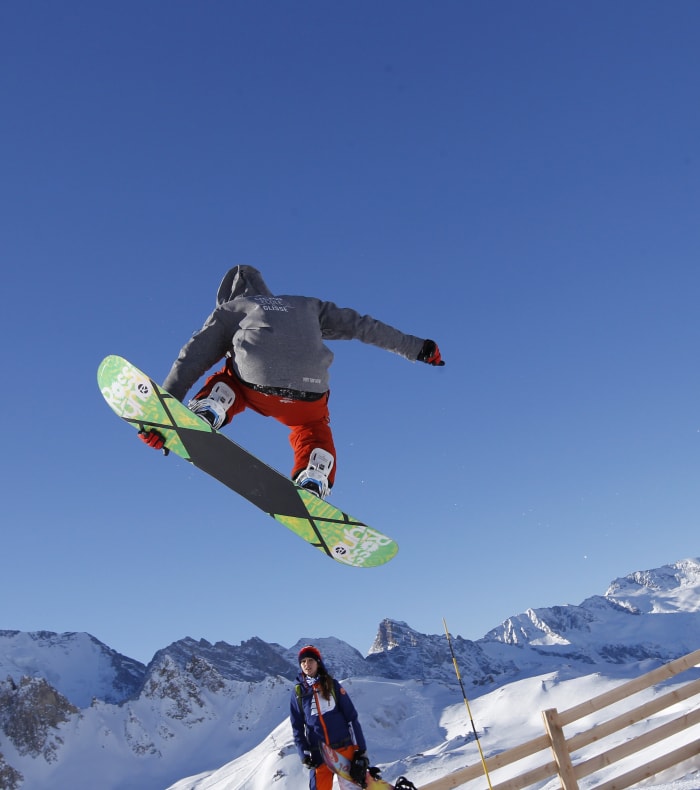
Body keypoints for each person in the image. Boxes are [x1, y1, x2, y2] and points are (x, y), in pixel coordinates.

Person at [139, 265, 444, 498]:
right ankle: (315, 471)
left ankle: (214, 403)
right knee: (312, 429)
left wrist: (164, 415)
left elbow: (194, 354)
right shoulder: (306, 305)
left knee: (228, 375)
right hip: (310, 390)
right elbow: (363, 326)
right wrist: (418, 348)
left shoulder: (231, 310)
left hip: (252, 382)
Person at [290, 645, 370, 790]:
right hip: (319, 755)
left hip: (344, 751)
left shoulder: (332, 685)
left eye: (310, 660)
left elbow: (351, 717)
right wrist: (304, 753)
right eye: (303, 662)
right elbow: (297, 727)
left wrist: (361, 750)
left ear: (318, 662)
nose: (307, 665)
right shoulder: (298, 693)